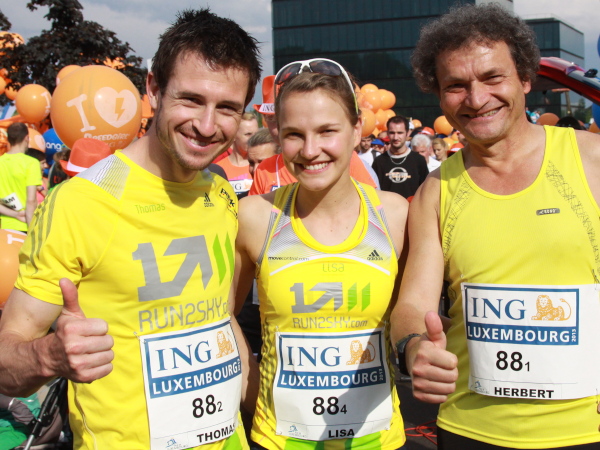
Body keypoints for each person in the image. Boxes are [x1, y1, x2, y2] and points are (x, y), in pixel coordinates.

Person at [0, 8, 261, 450]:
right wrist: (49, 355)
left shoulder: (220, 194)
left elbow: (220, 318)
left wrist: (268, 413)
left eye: (227, 108)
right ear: (154, 89)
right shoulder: (81, 202)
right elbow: (7, 360)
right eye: (191, 100)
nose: (206, 125)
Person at [392, 4, 600, 450]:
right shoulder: (435, 191)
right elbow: (411, 305)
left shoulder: (591, 160)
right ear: (439, 96)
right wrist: (414, 347)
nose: (476, 98)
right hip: (470, 430)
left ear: (524, 78)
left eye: (492, 78)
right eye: (456, 85)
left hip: (586, 431)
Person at [235, 61, 408, 450]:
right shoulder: (255, 217)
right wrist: (254, 393)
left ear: (357, 129)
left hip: (377, 440)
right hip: (279, 440)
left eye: (327, 131)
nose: (310, 150)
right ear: (278, 135)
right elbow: (221, 314)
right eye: (295, 135)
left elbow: (411, 314)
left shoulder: (395, 215)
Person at [372, 115, 428, 200]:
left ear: (407, 133)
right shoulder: (379, 161)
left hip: (411, 207)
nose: (395, 137)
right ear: (388, 133)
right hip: (387, 207)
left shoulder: (418, 160)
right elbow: (374, 191)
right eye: (392, 133)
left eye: (400, 133)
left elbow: (425, 191)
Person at [0, 123, 42, 232]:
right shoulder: (31, 163)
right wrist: (32, 229)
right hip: (24, 225)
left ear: (8, 139)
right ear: (27, 138)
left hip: (3, 226)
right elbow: (31, 200)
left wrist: (14, 214)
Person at [216, 112, 259, 198]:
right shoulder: (218, 169)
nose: (254, 139)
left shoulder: (262, 167)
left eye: (256, 134)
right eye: (248, 134)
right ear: (234, 136)